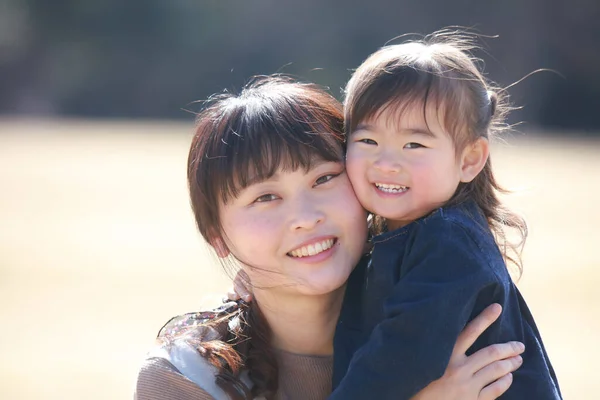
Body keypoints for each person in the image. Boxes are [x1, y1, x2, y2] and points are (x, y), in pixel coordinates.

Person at [134, 76, 525, 400]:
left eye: (324, 178)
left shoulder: (441, 320)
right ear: (217, 236)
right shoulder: (186, 377)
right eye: (265, 197)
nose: (305, 218)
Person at [326, 31, 562, 399]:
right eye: (368, 141)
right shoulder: (390, 234)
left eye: (414, 144)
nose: (386, 163)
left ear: (469, 159)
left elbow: (401, 355)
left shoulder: (449, 241)